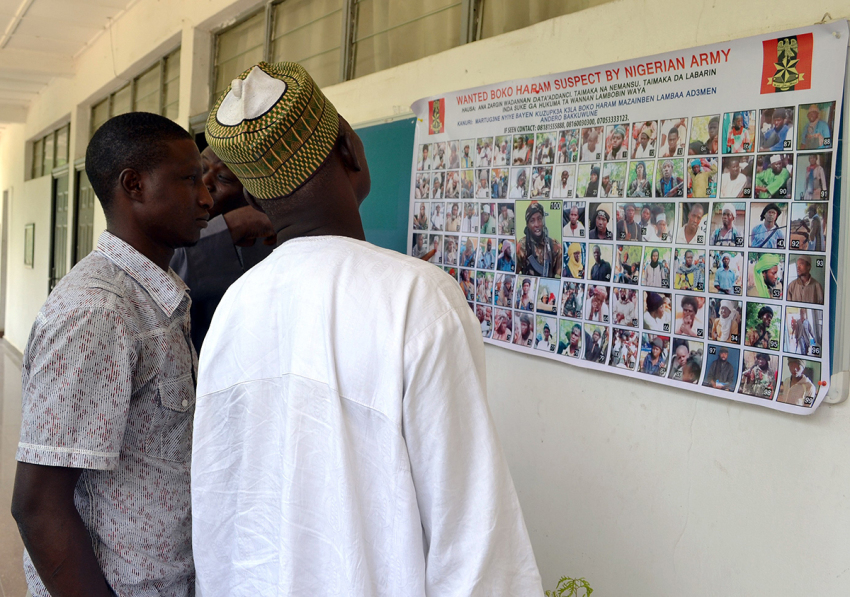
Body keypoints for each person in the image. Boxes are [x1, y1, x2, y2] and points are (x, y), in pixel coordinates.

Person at [194, 63, 542, 595]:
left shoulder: (235, 306)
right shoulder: (416, 298)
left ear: (257, 200)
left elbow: (218, 509)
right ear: (352, 150)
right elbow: (473, 539)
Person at [12, 113, 214, 597]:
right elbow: (39, 505)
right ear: (134, 185)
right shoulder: (100, 313)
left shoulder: (157, 299)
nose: (207, 198)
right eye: (190, 180)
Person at [171, 145, 276, 351]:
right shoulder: (171, 224)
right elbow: (156, 276)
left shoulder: (273, 239)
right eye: (201, 169)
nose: (205, 182)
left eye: (224, 178)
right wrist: (233, 226)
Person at [516, 201, 562, 278]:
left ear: (543, 221)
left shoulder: (554, 246)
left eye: (539, 219)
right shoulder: (521, 247)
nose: (537, 224)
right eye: (532, 221)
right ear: (527, 224)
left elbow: (562, 275)